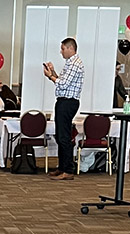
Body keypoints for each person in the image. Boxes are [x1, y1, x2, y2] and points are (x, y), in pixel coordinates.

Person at [43, 37, 83, 180]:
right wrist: (52, 73)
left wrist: (50, 77)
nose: (61, 52)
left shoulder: (75, 64)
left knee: (64, 136)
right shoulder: (70, 64)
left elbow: (63, 84)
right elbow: (61, 81)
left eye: (62, 49)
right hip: (64, 101)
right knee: (61, 136)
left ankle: (68, 170)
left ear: (70, 48)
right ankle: (62, 167)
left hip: (68, 102)